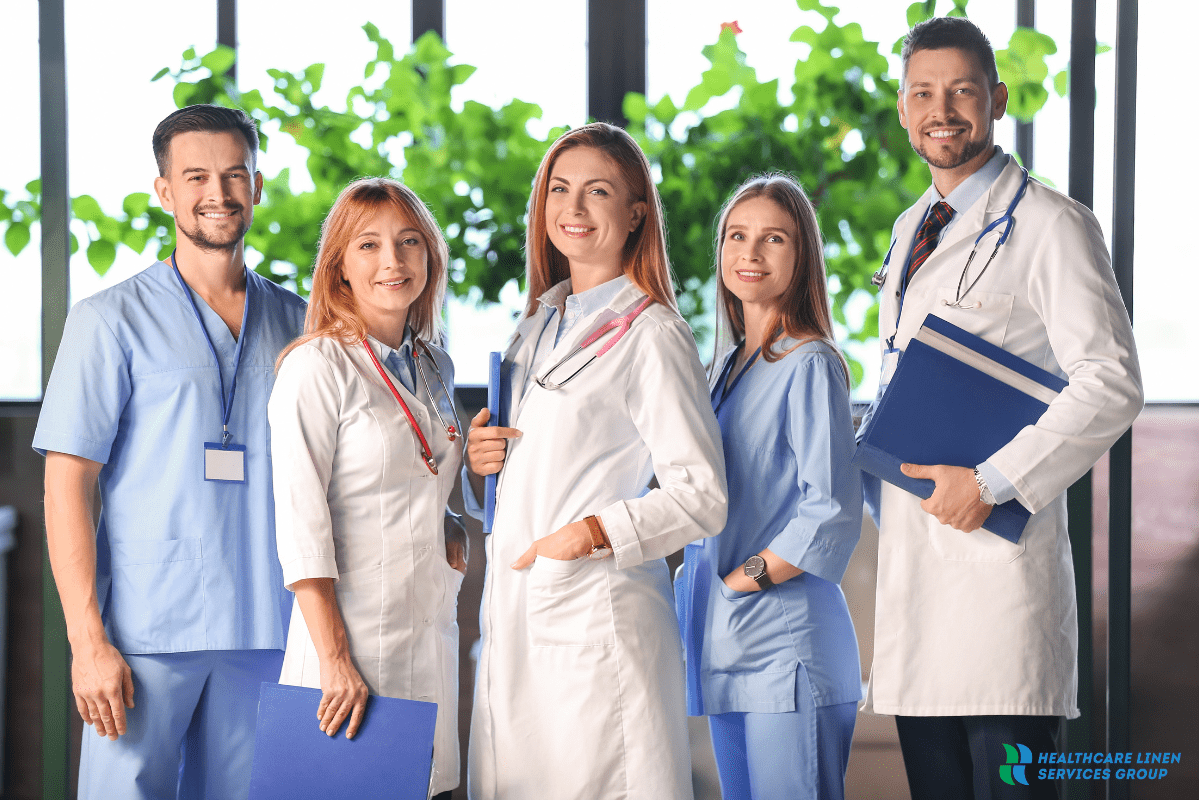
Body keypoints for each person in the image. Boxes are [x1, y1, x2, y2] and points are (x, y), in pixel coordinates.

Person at [859, 17, 1143, 800]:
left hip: (998, 585)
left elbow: (1113, 381)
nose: (940, 109)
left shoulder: (1052, 223)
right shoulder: (912, 226)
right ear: (903, 106)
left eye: (960, 90)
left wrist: (991, 481)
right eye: (923, 92)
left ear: (998, 98)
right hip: (918, 585)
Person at [34, 105, 307, 799]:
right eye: (196, 177)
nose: (218, 192)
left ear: (257, 185)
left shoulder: (302, 324)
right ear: (165, 191)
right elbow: (67, 484)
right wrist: (87, 642)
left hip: (270, 630)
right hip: (145, 636)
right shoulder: (108, 321)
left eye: (234, 174)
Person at [462, 122, 728, 799]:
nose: (573, 210)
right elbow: (538, 471)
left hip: (592, 614)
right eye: (560, 189)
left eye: (597, 192)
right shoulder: (536, 324)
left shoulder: (654, 333)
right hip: (520, 615)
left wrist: (587, 535)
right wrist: (482, 463)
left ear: (637, 213)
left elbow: (702, 495)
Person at [267, 177, 466, 799]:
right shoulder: (314, 367)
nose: (393, 262)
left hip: (425, 627)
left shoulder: (434, 362)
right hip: (349, 643)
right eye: (370, 246)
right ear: (339, 268)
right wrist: (334, 660)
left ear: (429, 258)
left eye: (410, 242)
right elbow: (302, 526)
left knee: (422, 789)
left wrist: (448, 516)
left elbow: (420, 467)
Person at [675, 174, 863, 800]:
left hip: (785, 645)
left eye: (773, 239)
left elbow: (830, 509)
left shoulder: (808, 363)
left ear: (801, 255)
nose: (750, 254)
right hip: (726, 639)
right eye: (737, 235)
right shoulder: (725, 369)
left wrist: (744, 579)